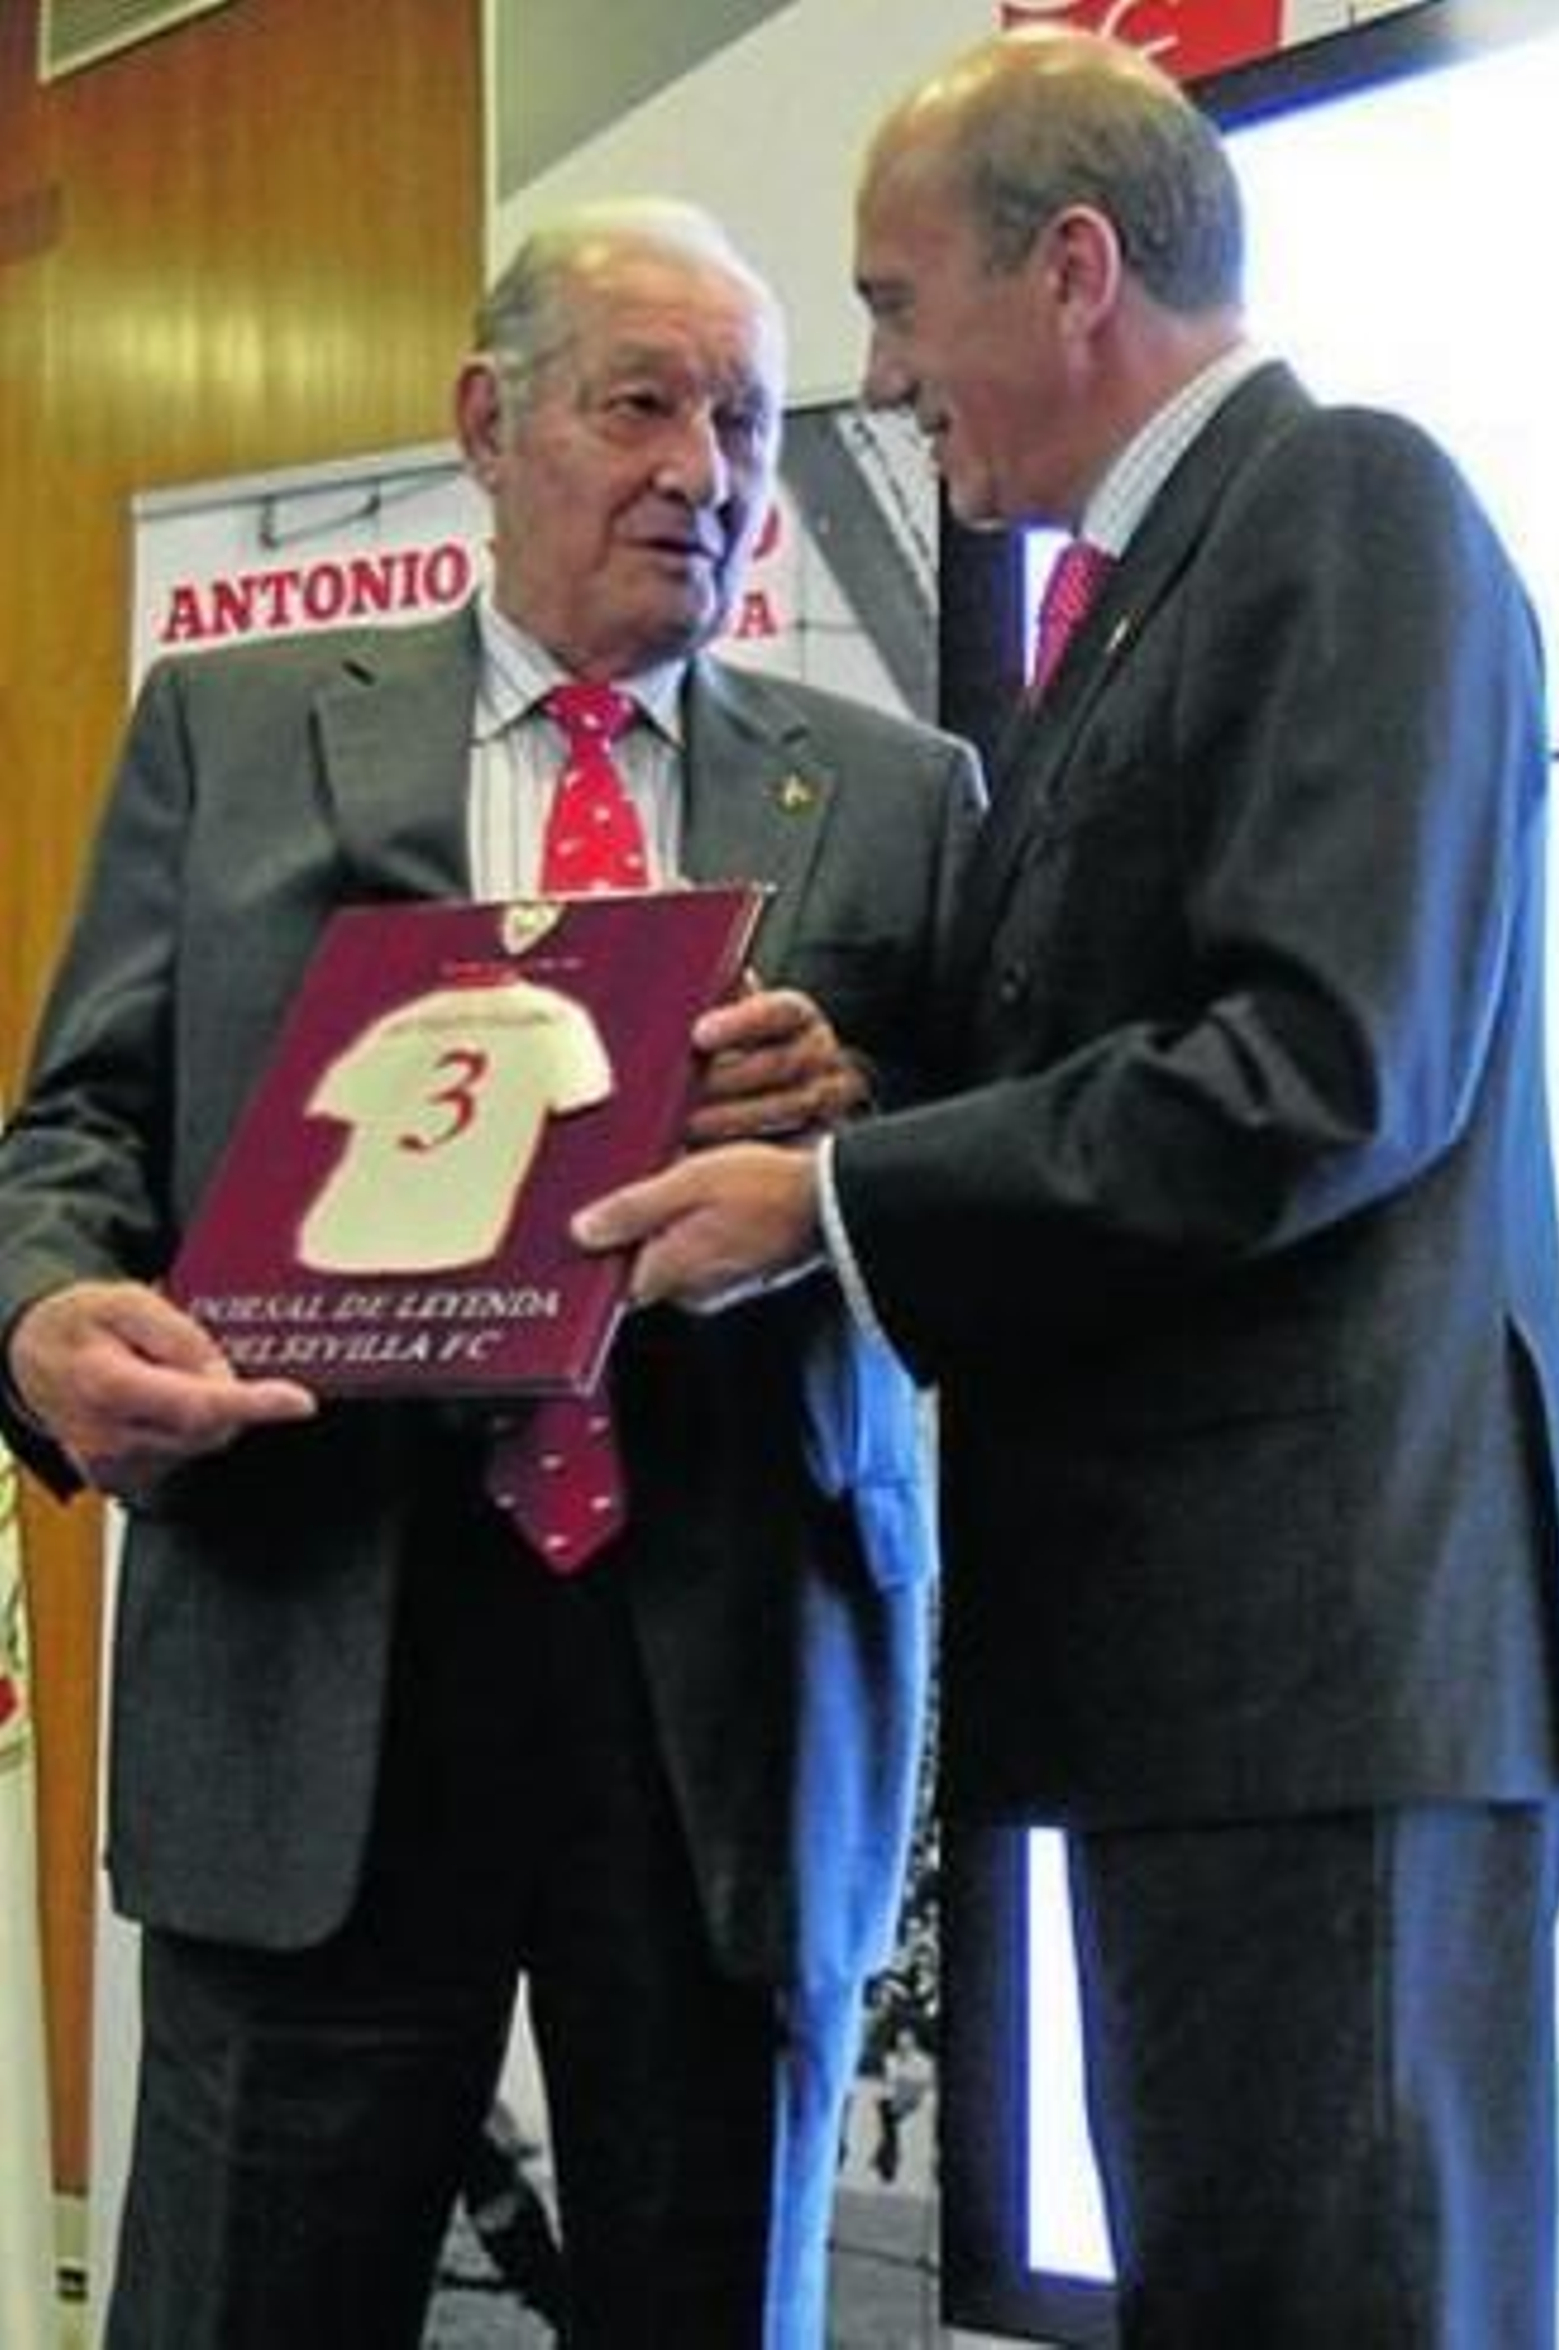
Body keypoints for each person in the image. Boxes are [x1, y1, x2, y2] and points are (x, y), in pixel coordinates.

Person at [571, 33, 1559, 2350]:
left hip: (1327, 1675)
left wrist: (835, 1199)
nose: (876, 376)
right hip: (1222, 1684)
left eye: (892, 299)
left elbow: (1315, 1071)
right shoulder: (1147, 586)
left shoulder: (1344, 504)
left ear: (1065, 269)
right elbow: (1134, 1043)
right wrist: (864, 1087)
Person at [0, 198, 982, 2348]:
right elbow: (74, 1132)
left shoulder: (900, 796)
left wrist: (850, 1131)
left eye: (742, 420)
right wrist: (46, 1317)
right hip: (321, 1638)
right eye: (640, 405)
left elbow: (990, 1183)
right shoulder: (232, 730)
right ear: (484, 421)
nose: (702, 470)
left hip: (722, 1690)